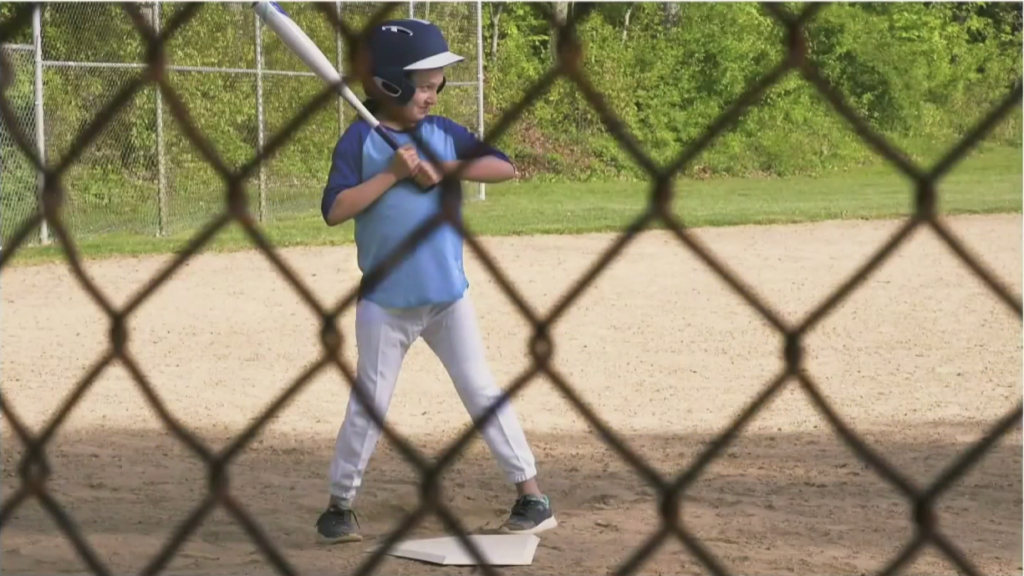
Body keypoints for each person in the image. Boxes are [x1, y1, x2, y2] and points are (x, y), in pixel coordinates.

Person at [315, 18, 557, 544]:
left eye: (437, 84)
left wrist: (446, 169)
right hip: (386, 302)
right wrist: (390, 176)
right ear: (389, 85)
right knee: (370, 403)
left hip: (449, 299)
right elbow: (335, 210)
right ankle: (339, 506)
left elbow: (503, 166)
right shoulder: (359, 141)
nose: (434, 93)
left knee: (482, 390)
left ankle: (531, 495)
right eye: (425, 84)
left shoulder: (443, 133)